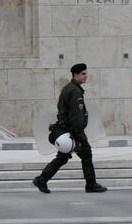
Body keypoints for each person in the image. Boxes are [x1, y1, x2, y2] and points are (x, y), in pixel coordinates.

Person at [33, 63, 108, 194]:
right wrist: (78, 136)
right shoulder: (75, 91)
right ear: (76, 75)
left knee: (62, 157)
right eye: (83, 74)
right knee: (86, 153)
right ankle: (91, 184)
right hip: (73, 131)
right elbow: (76, 117)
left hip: (66, 129)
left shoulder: (68, 88)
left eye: (86, 73)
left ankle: (42, 179)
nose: (86, 76)